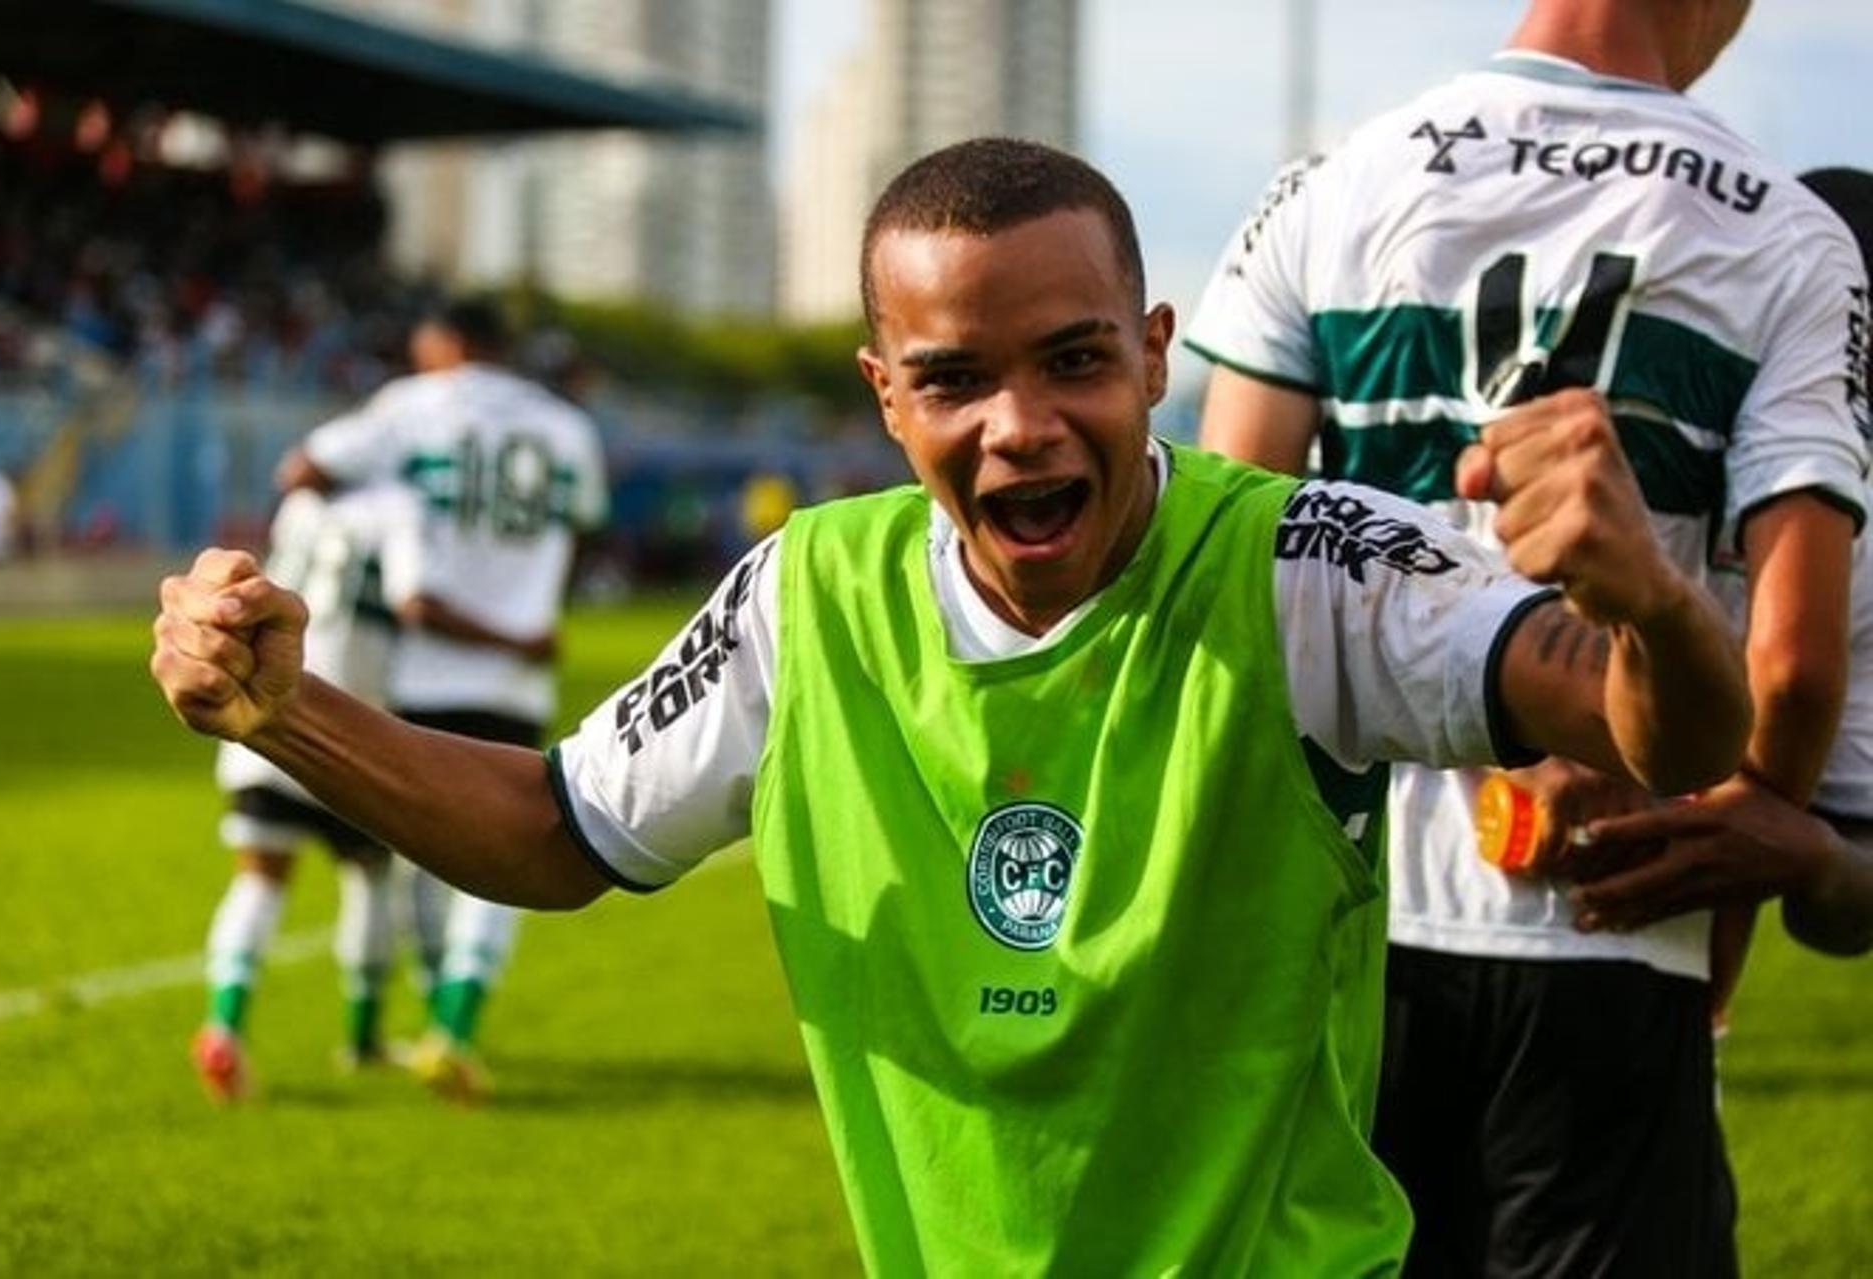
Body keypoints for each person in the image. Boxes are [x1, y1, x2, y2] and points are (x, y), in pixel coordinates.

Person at [149, 138, 1750, 1274]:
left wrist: (1653, 604)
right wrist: (290, 711)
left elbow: (1658, 730)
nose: (1022, 428)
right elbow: (560, 825)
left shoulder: (1302, 567)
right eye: (956, 379)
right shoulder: (806, 594)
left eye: (1074, 361)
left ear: (1154, 353)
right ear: (883, 389)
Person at [1186, 1, 1870, 1272]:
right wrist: (1738, 831)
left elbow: (1230, 583)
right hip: (1610, 928)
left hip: (1346, 919)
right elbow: (1795, 664)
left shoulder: (1329, 188)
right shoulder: (1789, 234)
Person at [277, 296, 608, 1101]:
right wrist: (533, 601)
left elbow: (302, 469)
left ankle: (410, 1010)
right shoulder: (567, 428)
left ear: (451, 342)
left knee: (421, 849)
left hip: (421, 669)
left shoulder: (412, 406)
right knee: (517, 852)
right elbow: (586, 526)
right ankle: (454, 1025)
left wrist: (360, 532)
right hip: (517, 669)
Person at [1570, 166, 1873, 960]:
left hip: (1661, 1008)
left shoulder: (1857, 566)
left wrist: (1809, 855)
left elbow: (1846, 911)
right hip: (1431, 944)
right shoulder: (1585, 456)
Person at [192, 484, 421, 1101]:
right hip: (345, 723)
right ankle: (364, 1036)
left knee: (260, 878)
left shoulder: (302, 508)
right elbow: (413, 600)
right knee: (370, 873)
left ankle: (223, 1025)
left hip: (263, 710)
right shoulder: (400, 508)